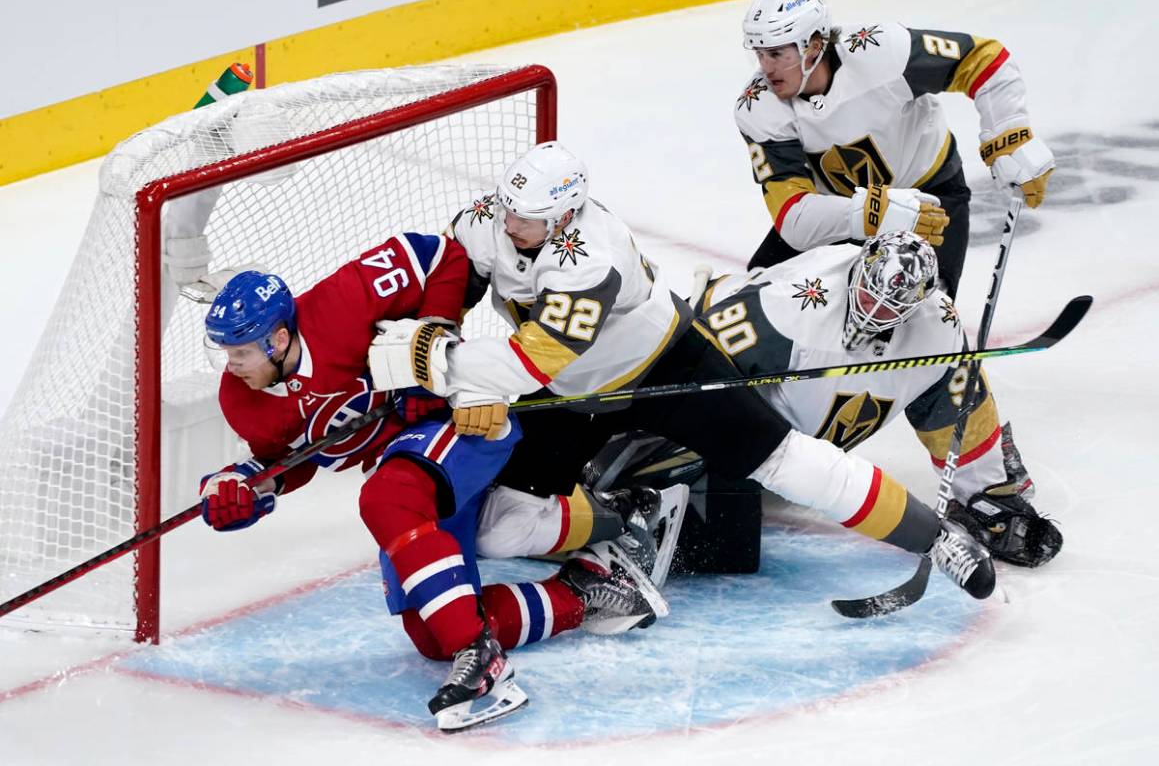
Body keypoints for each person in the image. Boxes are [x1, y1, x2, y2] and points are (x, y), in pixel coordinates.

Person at [368, 140, 999, 603]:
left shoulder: (588, 258)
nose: (509, 224)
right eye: (506, 208)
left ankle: (933, 535)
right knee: (496, 532)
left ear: (564, 217)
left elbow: (536, 356)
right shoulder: (494, 218)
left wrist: (438, 362)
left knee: (787, 461)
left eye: (525, 217)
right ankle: (623, 511)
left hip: (665, 365)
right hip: (575, 396)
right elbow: (457, 267)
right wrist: (440, 330)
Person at [196, 234, 666, 732]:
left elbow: (439, 255)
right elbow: (290, 459)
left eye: (241, 351)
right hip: (411, 464)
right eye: (226, 353)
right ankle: (585, 591)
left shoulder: (343, 300)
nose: (231, 365)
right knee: (431, 634)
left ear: (280, 338)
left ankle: (481, 655)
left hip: (460, 418)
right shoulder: (241, 399)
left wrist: (431, 346)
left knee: (387, 497)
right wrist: (245, 486)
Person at [695, 229, 1062, 568]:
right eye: (871, 294)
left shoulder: (937, 328)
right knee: (714, 521)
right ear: (858, 272)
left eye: (890, 307)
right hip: (720, 339)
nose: (872, 312)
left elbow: (954, 409)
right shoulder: (793, 304)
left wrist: (985, 492)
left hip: (795, 451)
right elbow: (693, 360)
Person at [734, 0, 1055, 297]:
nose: (766, 68)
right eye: (759, 55)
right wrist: (873, 212)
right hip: (842, 210)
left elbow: (984, 59)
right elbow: (794, 217)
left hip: (932, 200)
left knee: (916, 319)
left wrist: (1009, 132)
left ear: (814, 45)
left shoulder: (881, 51)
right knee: (759, 297)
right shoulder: (759, 107)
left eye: (777, 54)